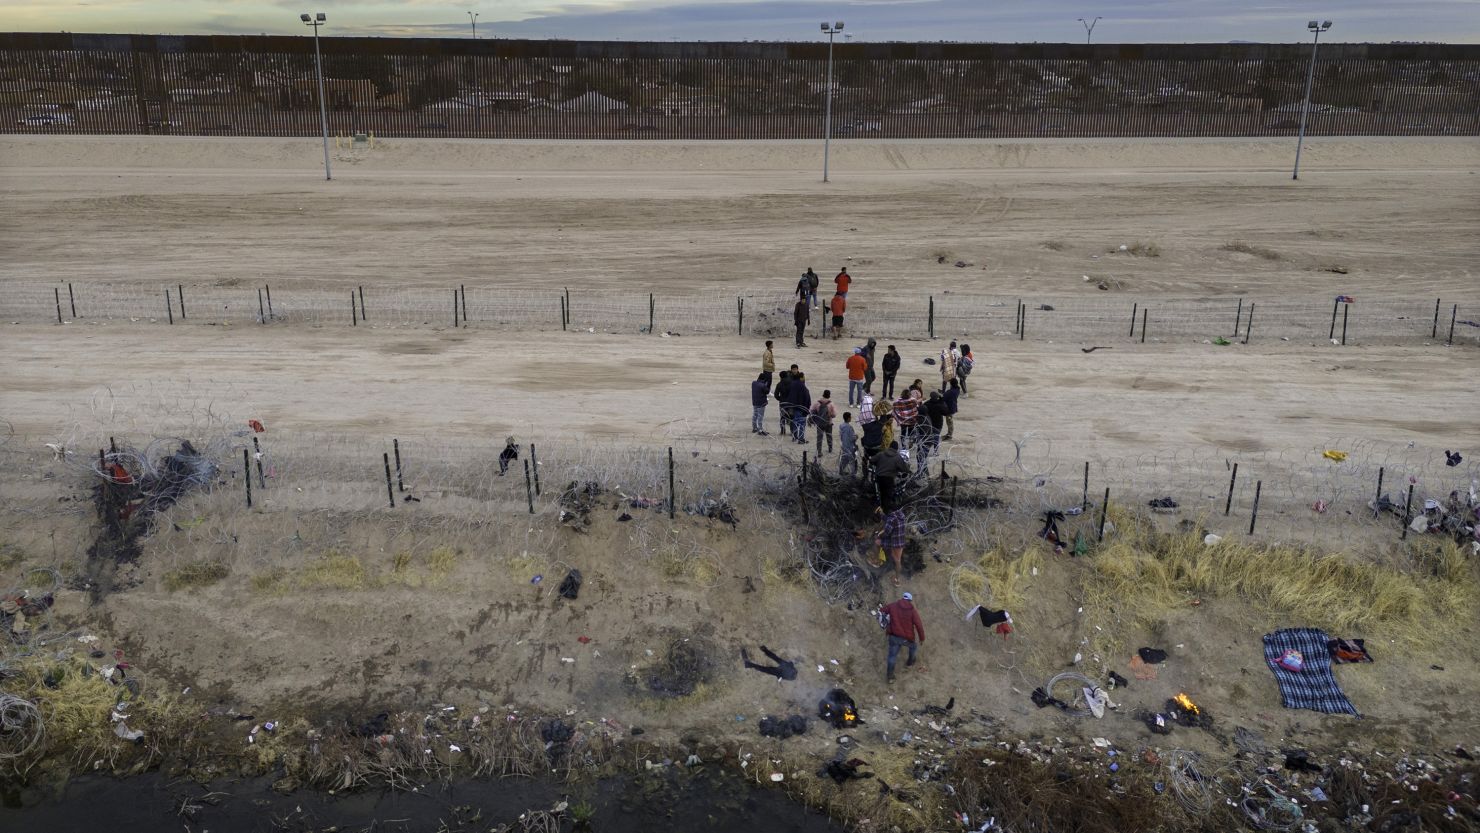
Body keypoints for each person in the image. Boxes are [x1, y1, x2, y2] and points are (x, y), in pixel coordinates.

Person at [882, 591, 924, 683]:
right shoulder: (912, 611)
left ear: (903, 598)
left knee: (892, 656)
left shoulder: (893, 606)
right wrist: (922, 638)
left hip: (894, 637)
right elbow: (919, 625)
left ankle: (890, 677)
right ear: (910, 600)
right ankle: (910, 662)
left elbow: (882, 611)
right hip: (906, 638)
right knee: (913, 647)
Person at [872, 441, 909, 510]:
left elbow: (872, 460)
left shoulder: (881, 454)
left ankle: (880, 509)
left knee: (881, 494)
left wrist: (878, 464)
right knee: (888, 496)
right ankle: (886, 512)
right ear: (897, 449)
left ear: (889, 446)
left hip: (879, 478)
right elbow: (905, 469)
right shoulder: (898, 457)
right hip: (889, 479)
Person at [877, 506, 909, 586]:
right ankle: (880, 560)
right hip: (900, 540)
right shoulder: (900, 514)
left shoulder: (892, 518)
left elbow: (887, 532)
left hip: (895, 543)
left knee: (897, 561)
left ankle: (897, 580)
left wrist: (879, 534)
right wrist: (881, 514)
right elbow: (888, 519)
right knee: (896, 559)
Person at [919, 391, 945, 476]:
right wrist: (942, 401)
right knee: (936, 437)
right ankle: (935, 451)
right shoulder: (940, 405)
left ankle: (922, 469)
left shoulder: (927, 404)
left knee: (930, 438)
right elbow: (946, 411)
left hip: (930, 424)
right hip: (937, 425)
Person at [786, 371, 812, 444]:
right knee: (801, 424)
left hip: (792, 406)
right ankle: (801, 439)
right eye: (803, 377)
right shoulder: (802, 386)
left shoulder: (792, 384)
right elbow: (806, 398)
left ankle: (795, 437)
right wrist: (807, 409)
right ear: (801, 377)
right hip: (801, 407)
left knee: (795, 422)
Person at [812, 390, 837, 454]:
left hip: (819, 423)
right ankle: (830, 448)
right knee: (829, 436)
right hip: (828, 423)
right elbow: (834, 415)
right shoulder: (831, 404)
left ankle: (819, 451)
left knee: (819, 438)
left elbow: (812, 411)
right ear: (829, 395)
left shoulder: (817, 403)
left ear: (823, 394)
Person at [838, 411, 858, 477]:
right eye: (850, 417)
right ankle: (853, 475)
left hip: (844, 445)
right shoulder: (849, 427)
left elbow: (841, 436)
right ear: (848, 418)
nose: (851, 418)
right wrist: (856, 437)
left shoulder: (841, 426)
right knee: (852, 460)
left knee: (844, 459)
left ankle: (841, 471)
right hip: (850, 446)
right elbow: (852, 438)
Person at [773, 370, 792, 436]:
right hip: (790, 402)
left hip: (782, 403)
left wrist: (780, 399)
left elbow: (776, 395)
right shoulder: (791, 383)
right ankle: (792, 431)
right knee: (791, 417)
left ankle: (783, 431)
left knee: (782, 417)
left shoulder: (779, 384)